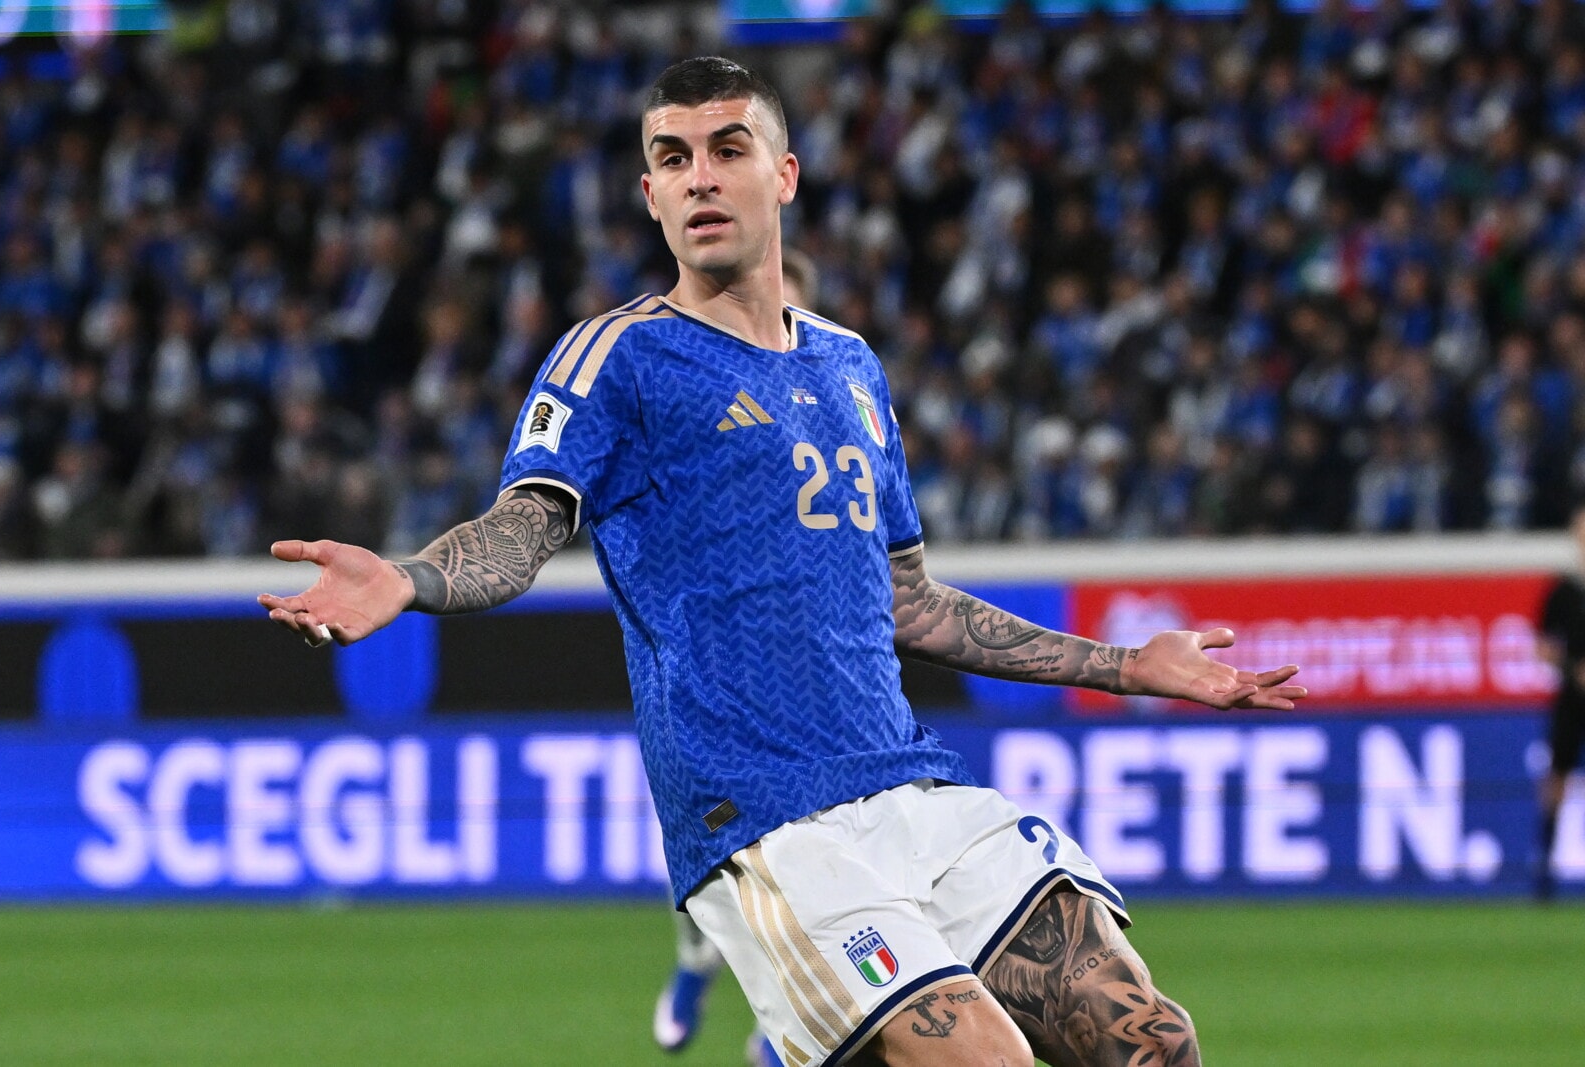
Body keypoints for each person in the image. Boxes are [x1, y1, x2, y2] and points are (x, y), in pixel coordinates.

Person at [261, 57, 1306, 1067]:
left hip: (911, 786)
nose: (700, 178)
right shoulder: (618, 358)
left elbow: (908, 602)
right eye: (672, 159)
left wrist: (1127, 665)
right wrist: (411, 577)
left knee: (1149, 1038)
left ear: (785, 174)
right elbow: (524, 524)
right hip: (768, 821)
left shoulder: (850, 366)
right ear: (650, 195)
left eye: (728, 149)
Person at [653, 246, 820, 1067]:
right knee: (713, 864)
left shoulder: (836, 388)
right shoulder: (694, 391)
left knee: (814, 871)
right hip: (715, 679)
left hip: (813, 685)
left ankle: (783, 1029)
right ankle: (696, 967)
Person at [1536, 499, 1585, 901]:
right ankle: (1545, 866)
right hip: (1572, 697)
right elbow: (1543, 647)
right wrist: (1574, 669)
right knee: (1558, 776)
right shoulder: (1563, 591)